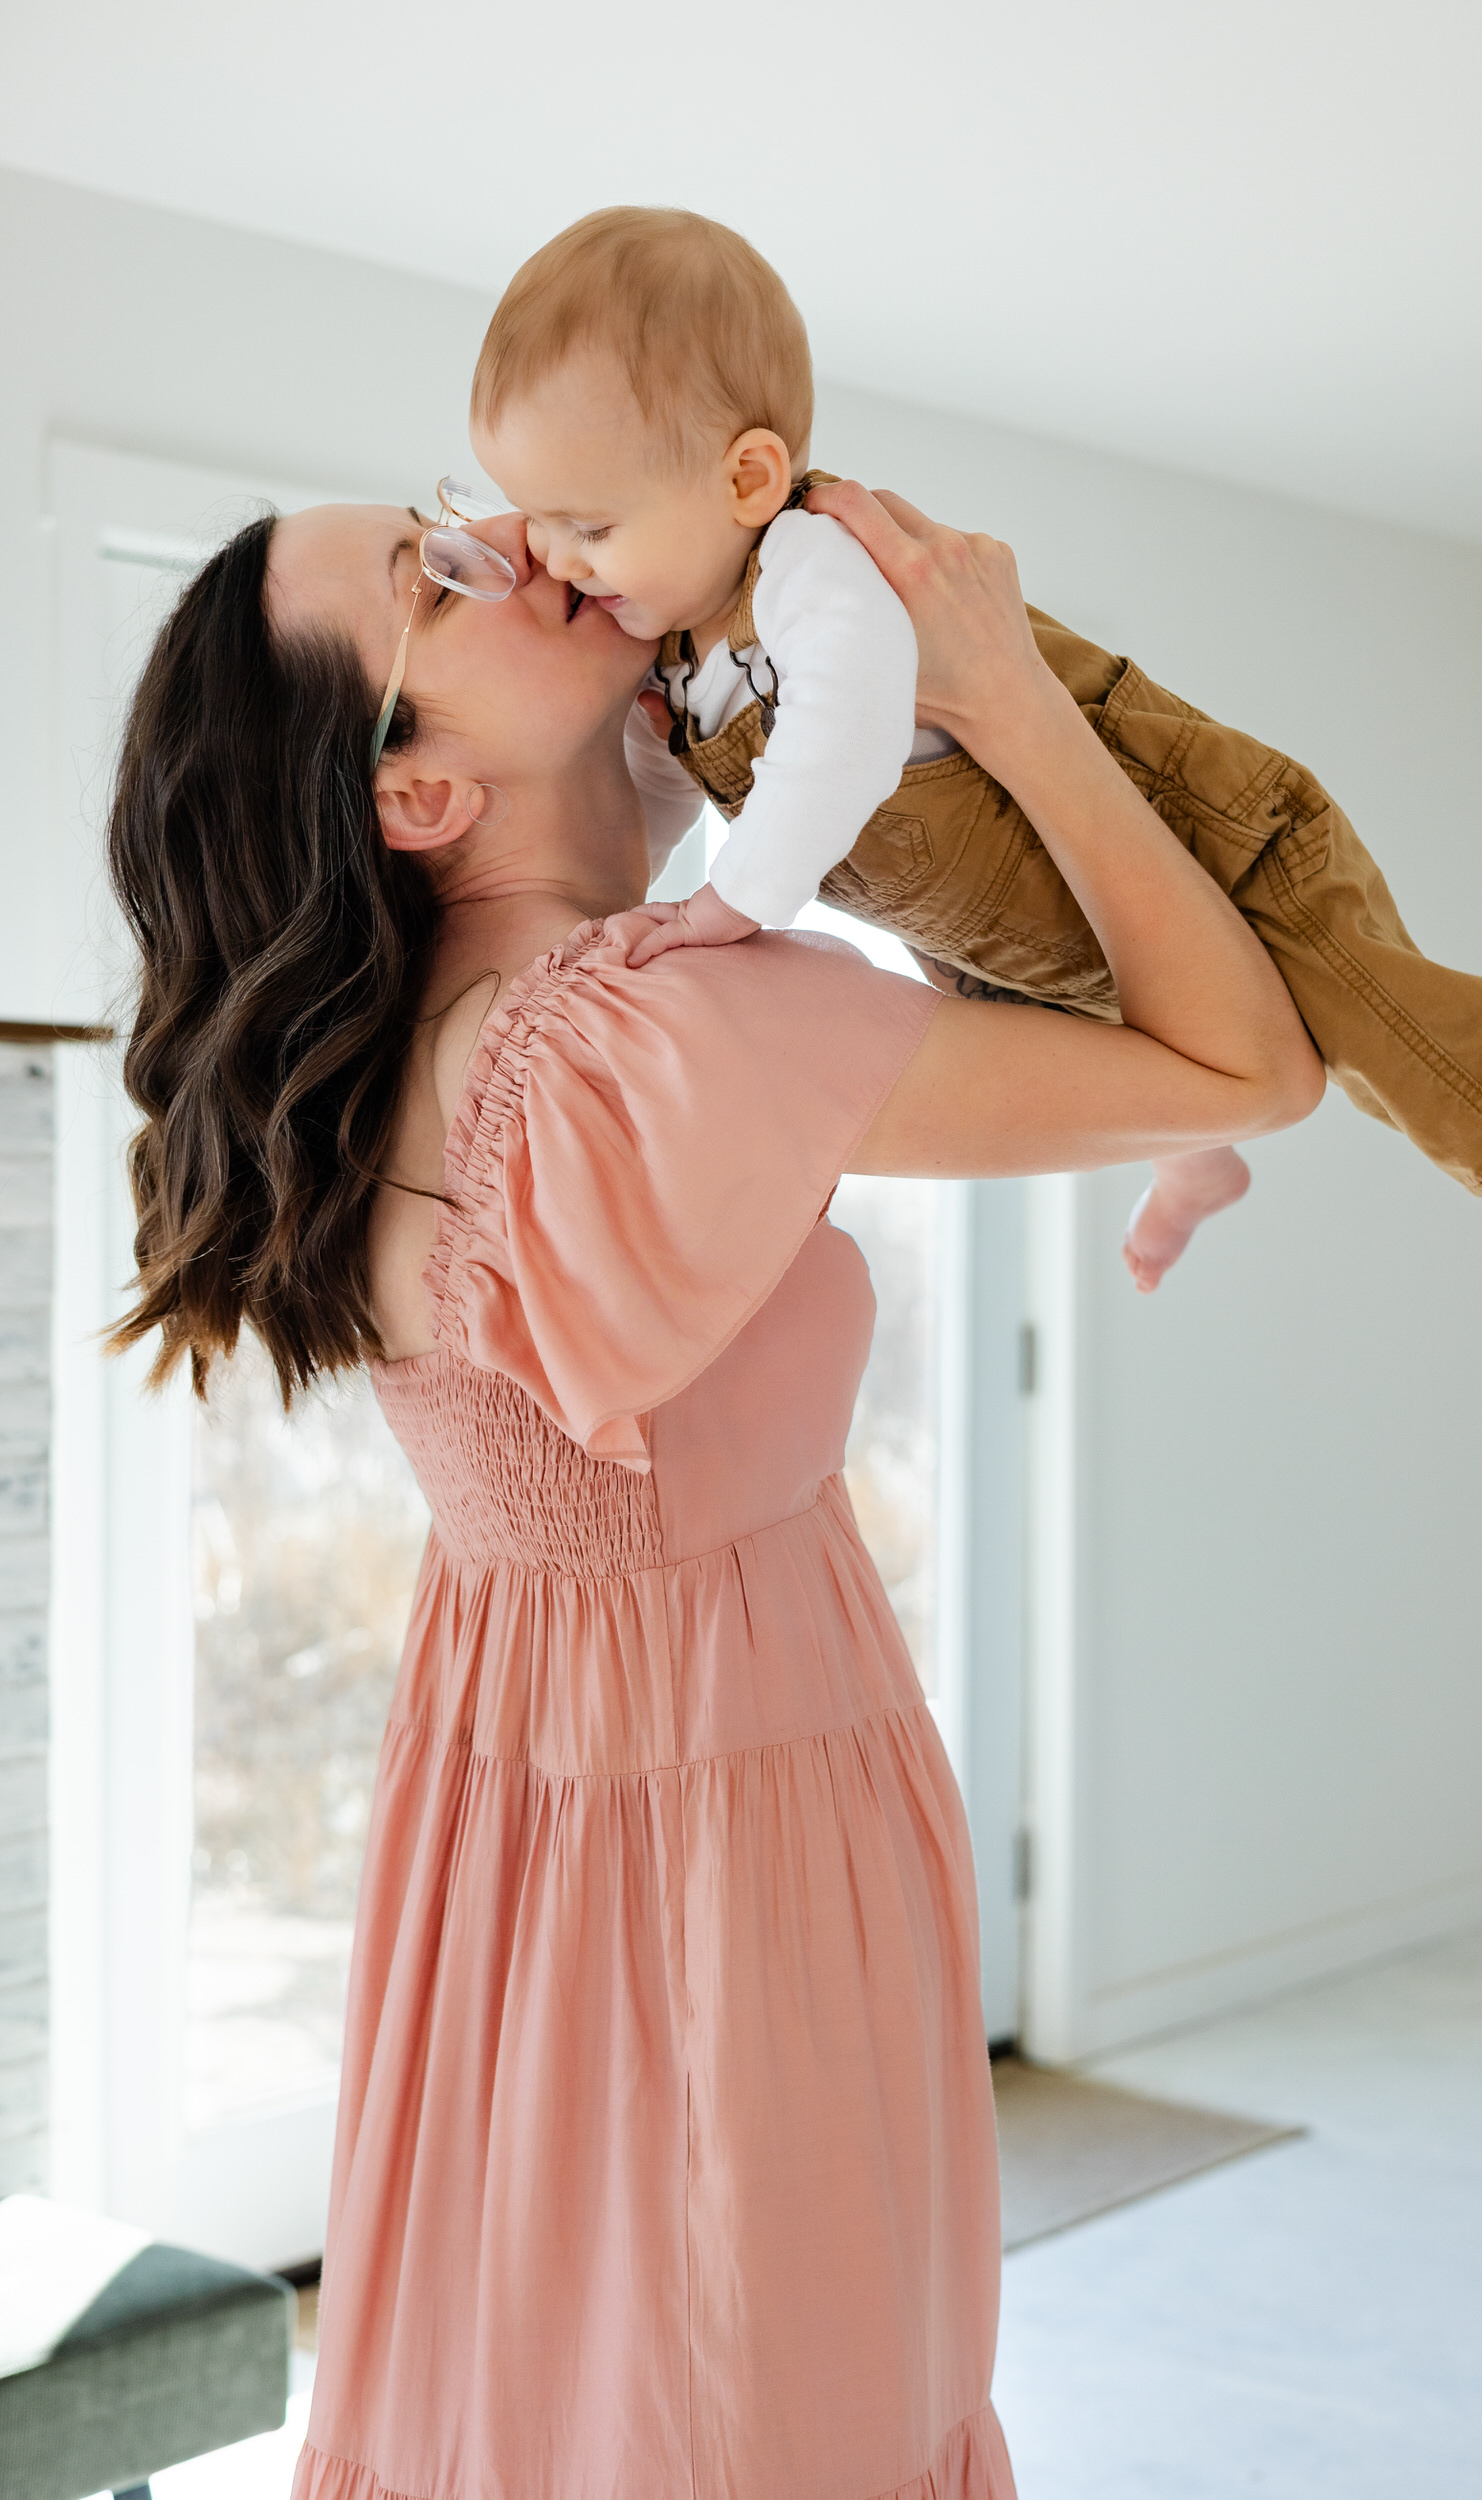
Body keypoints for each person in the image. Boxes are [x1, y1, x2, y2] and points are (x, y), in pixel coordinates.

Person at [105, 464, 1317, 2498]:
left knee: (554, 2398)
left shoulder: (431, 1041)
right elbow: (1246, 1066)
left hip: (509, 1815)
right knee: (750, 2399)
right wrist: (1010, 698)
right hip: (721, 1813)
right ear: (413, 793)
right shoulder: (633, 1043)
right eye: (438, 573)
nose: (508, 537)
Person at [469, 205, 1482, 1352]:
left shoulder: (811, 563)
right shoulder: (670, 668)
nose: (559, 560)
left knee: (1394, 1024)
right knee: (1083, 1056)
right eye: (540, 523)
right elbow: (657, 792)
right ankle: (1194, 1158)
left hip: (1207, 847)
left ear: (745, 479)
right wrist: (624, 913)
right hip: (1006, 935)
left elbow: (840, 724)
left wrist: (730, 904)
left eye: (588, 525)